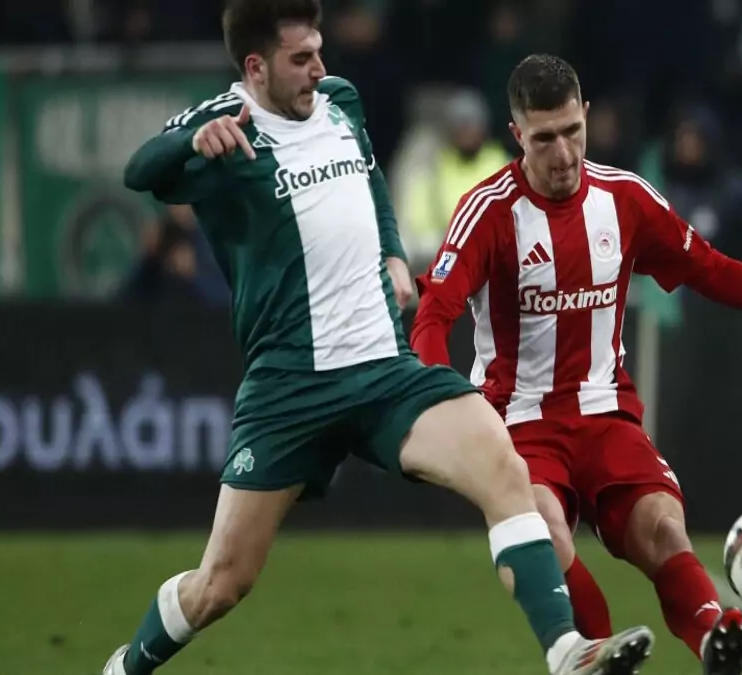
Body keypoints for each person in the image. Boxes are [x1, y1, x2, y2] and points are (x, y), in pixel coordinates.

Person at [101, 2, 658, 674]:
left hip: (384, 369)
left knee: (504, 467)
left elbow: (370, 179)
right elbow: (140, 170)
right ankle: (126, 666)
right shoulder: (225, 124)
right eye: (301, 58)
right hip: (291, 387)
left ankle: (565, 650)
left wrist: (393, 251)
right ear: (257, 67)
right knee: (222, 582)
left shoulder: (340, 101)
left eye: (318, 50)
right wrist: (191, 142)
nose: (319, 68)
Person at [411, 53, 742, 675]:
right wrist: (442, 405)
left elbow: (712, 270)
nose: (563, 153)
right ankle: (591, 651)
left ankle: (712, 634)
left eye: (572, 131)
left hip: (606, 415)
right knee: (544, 528)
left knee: (661, 525)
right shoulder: (488, 210)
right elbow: (434, 314)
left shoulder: (624, 199)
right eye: (544, 139)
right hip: (519, 424)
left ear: (587, 116)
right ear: (517, 135)